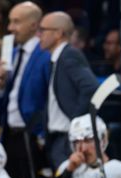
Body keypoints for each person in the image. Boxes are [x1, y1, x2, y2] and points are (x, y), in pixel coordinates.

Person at [0, 1, 50, 178]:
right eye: (10, 22)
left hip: (33, 138)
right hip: (9, 136)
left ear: (34, 25)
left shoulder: (46, 54)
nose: (10, 28)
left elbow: (49, 97)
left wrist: (42, 135)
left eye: (16, 22)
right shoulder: (12, 54)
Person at [38, 11, 98, 169]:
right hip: (56, 137)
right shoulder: (57, 59)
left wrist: (76, 122)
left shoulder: (69, 55)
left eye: (43, 30)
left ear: (58, 33)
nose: (39, 35)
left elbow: (91, 87)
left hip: (65, 137)